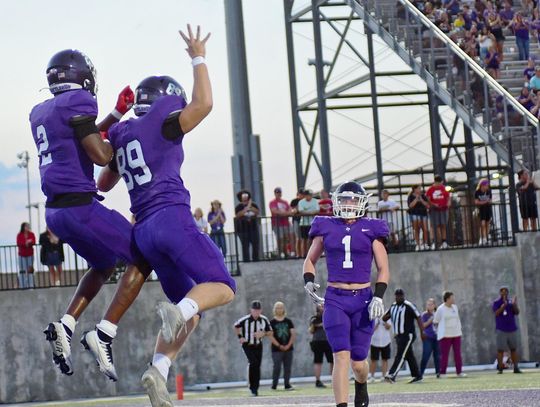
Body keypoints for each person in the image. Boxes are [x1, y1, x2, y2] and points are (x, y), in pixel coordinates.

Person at [97, 26, 236, 405]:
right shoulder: (163, 119)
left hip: (142, 230)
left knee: (190, 312)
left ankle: (157, 371)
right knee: (222, 286)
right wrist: (198, 57)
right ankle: (177, 311)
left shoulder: (123, 133)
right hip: (171, 218)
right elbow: (204, 104)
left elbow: (105, 183)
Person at [31, 48, 152, 379]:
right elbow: (98, 154)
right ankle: (104, 334)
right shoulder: (79, 102)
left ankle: (66, 325)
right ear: (82, 77)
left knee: (103, 263)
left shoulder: (42, 110)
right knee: (144, 256)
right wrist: (125, 137)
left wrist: (114, 113)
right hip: (80, 207)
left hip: (56, 212)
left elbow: (79, 135)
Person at [303, 181, 390, 407]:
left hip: (363, 300)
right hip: (335, 299)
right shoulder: (326, 226)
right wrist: (309, 281)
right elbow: (310, 260)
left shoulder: (372, 229)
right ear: (335, 202)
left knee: (358, 363)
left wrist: (379, 296)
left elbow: (383, 268)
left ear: (361, 202)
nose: (348, 204)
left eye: (352, 199)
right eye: (344, 199)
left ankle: (362, 384)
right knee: (340, 355)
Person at [383, 289, 424, 383]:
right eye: (397, 295)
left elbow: (418, 317)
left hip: (408, 335)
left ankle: (392, 374)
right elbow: (385, 317)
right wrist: (384, 317)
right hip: (398, 336)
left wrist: (422, 332)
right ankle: (417, 376)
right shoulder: (393, 306)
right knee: (409, 355)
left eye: (400, 295)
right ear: (395, 296)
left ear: (403, 296)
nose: (399, 297)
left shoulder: (408, 306)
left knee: (401, 354)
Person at [234, 301, 273, 397]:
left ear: (261, 310)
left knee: (257, 366)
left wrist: (263, 333)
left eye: (258, 310)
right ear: (251, 310)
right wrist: (240, 337)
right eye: (254, 310)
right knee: (253, 363)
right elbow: (236, 326)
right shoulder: (245, 320)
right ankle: (252, 387)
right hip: (247, 344)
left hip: (258, 345)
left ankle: (255, 388)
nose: (256, 312)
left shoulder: (264, 319)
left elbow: (271, 332)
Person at [433, 291, 466, 378]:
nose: (453, 299)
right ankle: (442, 373)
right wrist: (438, 332)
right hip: (445, 335)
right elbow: (435, 321)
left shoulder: (455, 307)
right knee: (444, 355)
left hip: (456, 334)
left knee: (457, 354)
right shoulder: (441, 309)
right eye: (452, 298)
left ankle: (459, 372)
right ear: (447, 299)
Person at [492, 286, 522, 374]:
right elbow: (496, 313)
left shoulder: (510, 302)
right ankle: (500, 368)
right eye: (502, 291)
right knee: (500, 349)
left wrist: (514, 304)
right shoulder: (496, 302)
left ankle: (516, 367)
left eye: (505, 291)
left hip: (512, 329)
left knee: (513, 349)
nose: (504, 293)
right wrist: (503, 306)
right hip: (501, 329)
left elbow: (517, 312)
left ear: (508, 293)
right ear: (500, 293)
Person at [269, 301, 296, 391]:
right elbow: (270, 335)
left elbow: (293, 334)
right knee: (276, 367)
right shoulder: (271, 322)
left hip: (289, 349)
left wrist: (288, 345)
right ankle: (274, 385)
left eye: (281, 307)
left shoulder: (288, 321)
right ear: (274, 309)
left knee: (287, 367)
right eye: (277, 307)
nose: (279, 309)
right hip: (276, 349)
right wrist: (279, 345)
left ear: (284, 309)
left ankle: (287, 384)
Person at [309, 304, 333, 388]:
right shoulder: (314, 318)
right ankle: (318, 381)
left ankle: (334, 379)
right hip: (317, 342)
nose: (322, 307)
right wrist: (320, 324)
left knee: (333, 361)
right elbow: (311, 330)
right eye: (320, 306)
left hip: (329, 341)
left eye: (323, 306)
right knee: (318, 361)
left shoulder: (330, 315)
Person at [235, 189, 260, 261]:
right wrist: (247, 207)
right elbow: (238, 214)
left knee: (255, 245)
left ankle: (256, 259)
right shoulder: (238, 207)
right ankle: (246, 260)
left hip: (253, 228)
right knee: (245, 246)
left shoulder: (254, 205)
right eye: (243, 196)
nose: (245, 197)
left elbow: (257, 212)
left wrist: (250, 207)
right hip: (243, 230)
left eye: (246, 195)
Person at [426, 175, 451, 249]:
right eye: (439, 183)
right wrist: (433, 204)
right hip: (434, 211)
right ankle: (436, 241)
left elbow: (448, 197)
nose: (440, 185)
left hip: (443, 209)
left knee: (443, 225)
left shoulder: (444, 188)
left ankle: (444, 242)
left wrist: (448, 203)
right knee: (436, 226)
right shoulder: (430, 189)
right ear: (435, 182)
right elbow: (428, 199)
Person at [269, 187, 293, 258]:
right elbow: (274, 211)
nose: (278, 194)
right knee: (280, 239)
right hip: (277, 224)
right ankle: (279, 253)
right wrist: (286, 213)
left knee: (286, 238)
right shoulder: (272, 202)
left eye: (279, 192)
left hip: (286, 223)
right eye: (277, 192)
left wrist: (283, 213)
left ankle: (286, 253)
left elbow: (290, 210)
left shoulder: (285, 202)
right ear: (275, 194)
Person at [420, 298, 440, 378]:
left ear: (434, 305)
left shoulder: (438, 313)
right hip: (428, 337)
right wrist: (430, 320)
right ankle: (420, 373)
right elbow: (423, 326)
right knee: (425, 356)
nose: (429, 306)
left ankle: (438, 373)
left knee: (437, 356)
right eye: (428, 304)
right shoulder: (424, 315)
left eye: (431, 304)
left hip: (437, 337)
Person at [368, 317, 392, 383]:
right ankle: (372, 376)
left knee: (385, 359)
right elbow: (371, 329)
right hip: (374, 341)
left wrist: (384, 322)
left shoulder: (386, 316)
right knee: (373, 359)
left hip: (385, 341)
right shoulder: (372, 317)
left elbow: (389, 327)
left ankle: (384, 376)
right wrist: (377, 324)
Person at [297, 189, 319, 257]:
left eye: (310, 195)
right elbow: (301, 211)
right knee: (304, 239)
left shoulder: (315, 201)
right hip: (303, 223)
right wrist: (311, 212)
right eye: (308, 195)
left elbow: (317, 210)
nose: (309, 196)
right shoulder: (301, 202)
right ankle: (304, 254)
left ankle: (312, 253)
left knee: (312, 239)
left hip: (313, 223)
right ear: (305, 195)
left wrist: (307, 212)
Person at [407, 185, 430, 251]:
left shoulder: (423, 196)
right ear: (414, 189)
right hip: (414, 214)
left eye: (420, 188)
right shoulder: (410, 196)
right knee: (416, 229)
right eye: (418, 188)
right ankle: (418, 244)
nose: (420, 190)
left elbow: (427, 205)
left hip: (423, 214)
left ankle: (425, 243)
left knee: (425, 229)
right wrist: (416, 199)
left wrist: (422, 200)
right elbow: (410, 205)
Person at [16, 222, 36, 289]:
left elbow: (33, 242)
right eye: (26, 226)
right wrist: (26, 243)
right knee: (22, 270)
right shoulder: (19, 235)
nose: (27, 227)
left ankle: (31, 286)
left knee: (30, 270)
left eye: (28, 226)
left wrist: (28, 243)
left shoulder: (31, 234)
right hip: (22, 255)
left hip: (30, 254)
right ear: (23, 227)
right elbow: (19, 243)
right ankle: (23, 286)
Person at [475, 178, 492, 245]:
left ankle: (486, 238)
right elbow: (476, 202)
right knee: (482, 224)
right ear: (482, 185)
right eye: (486, 185)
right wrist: (485, 202)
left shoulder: (489, 191)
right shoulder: (477, 192)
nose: (487, 187)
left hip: (488, 209)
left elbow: (490, 200)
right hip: (481, 209)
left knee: (487, 224)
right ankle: (482, 238)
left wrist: (485, 202)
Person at [290, 190, 305, 257]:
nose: (302, 195)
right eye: (300, 194)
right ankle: (298, 254)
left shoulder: (305, 201)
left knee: (304, 238)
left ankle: (303, 253)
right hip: (296, 221)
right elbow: (292, 211)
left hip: (304, 221)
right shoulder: (294, 201)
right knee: (298, 238)